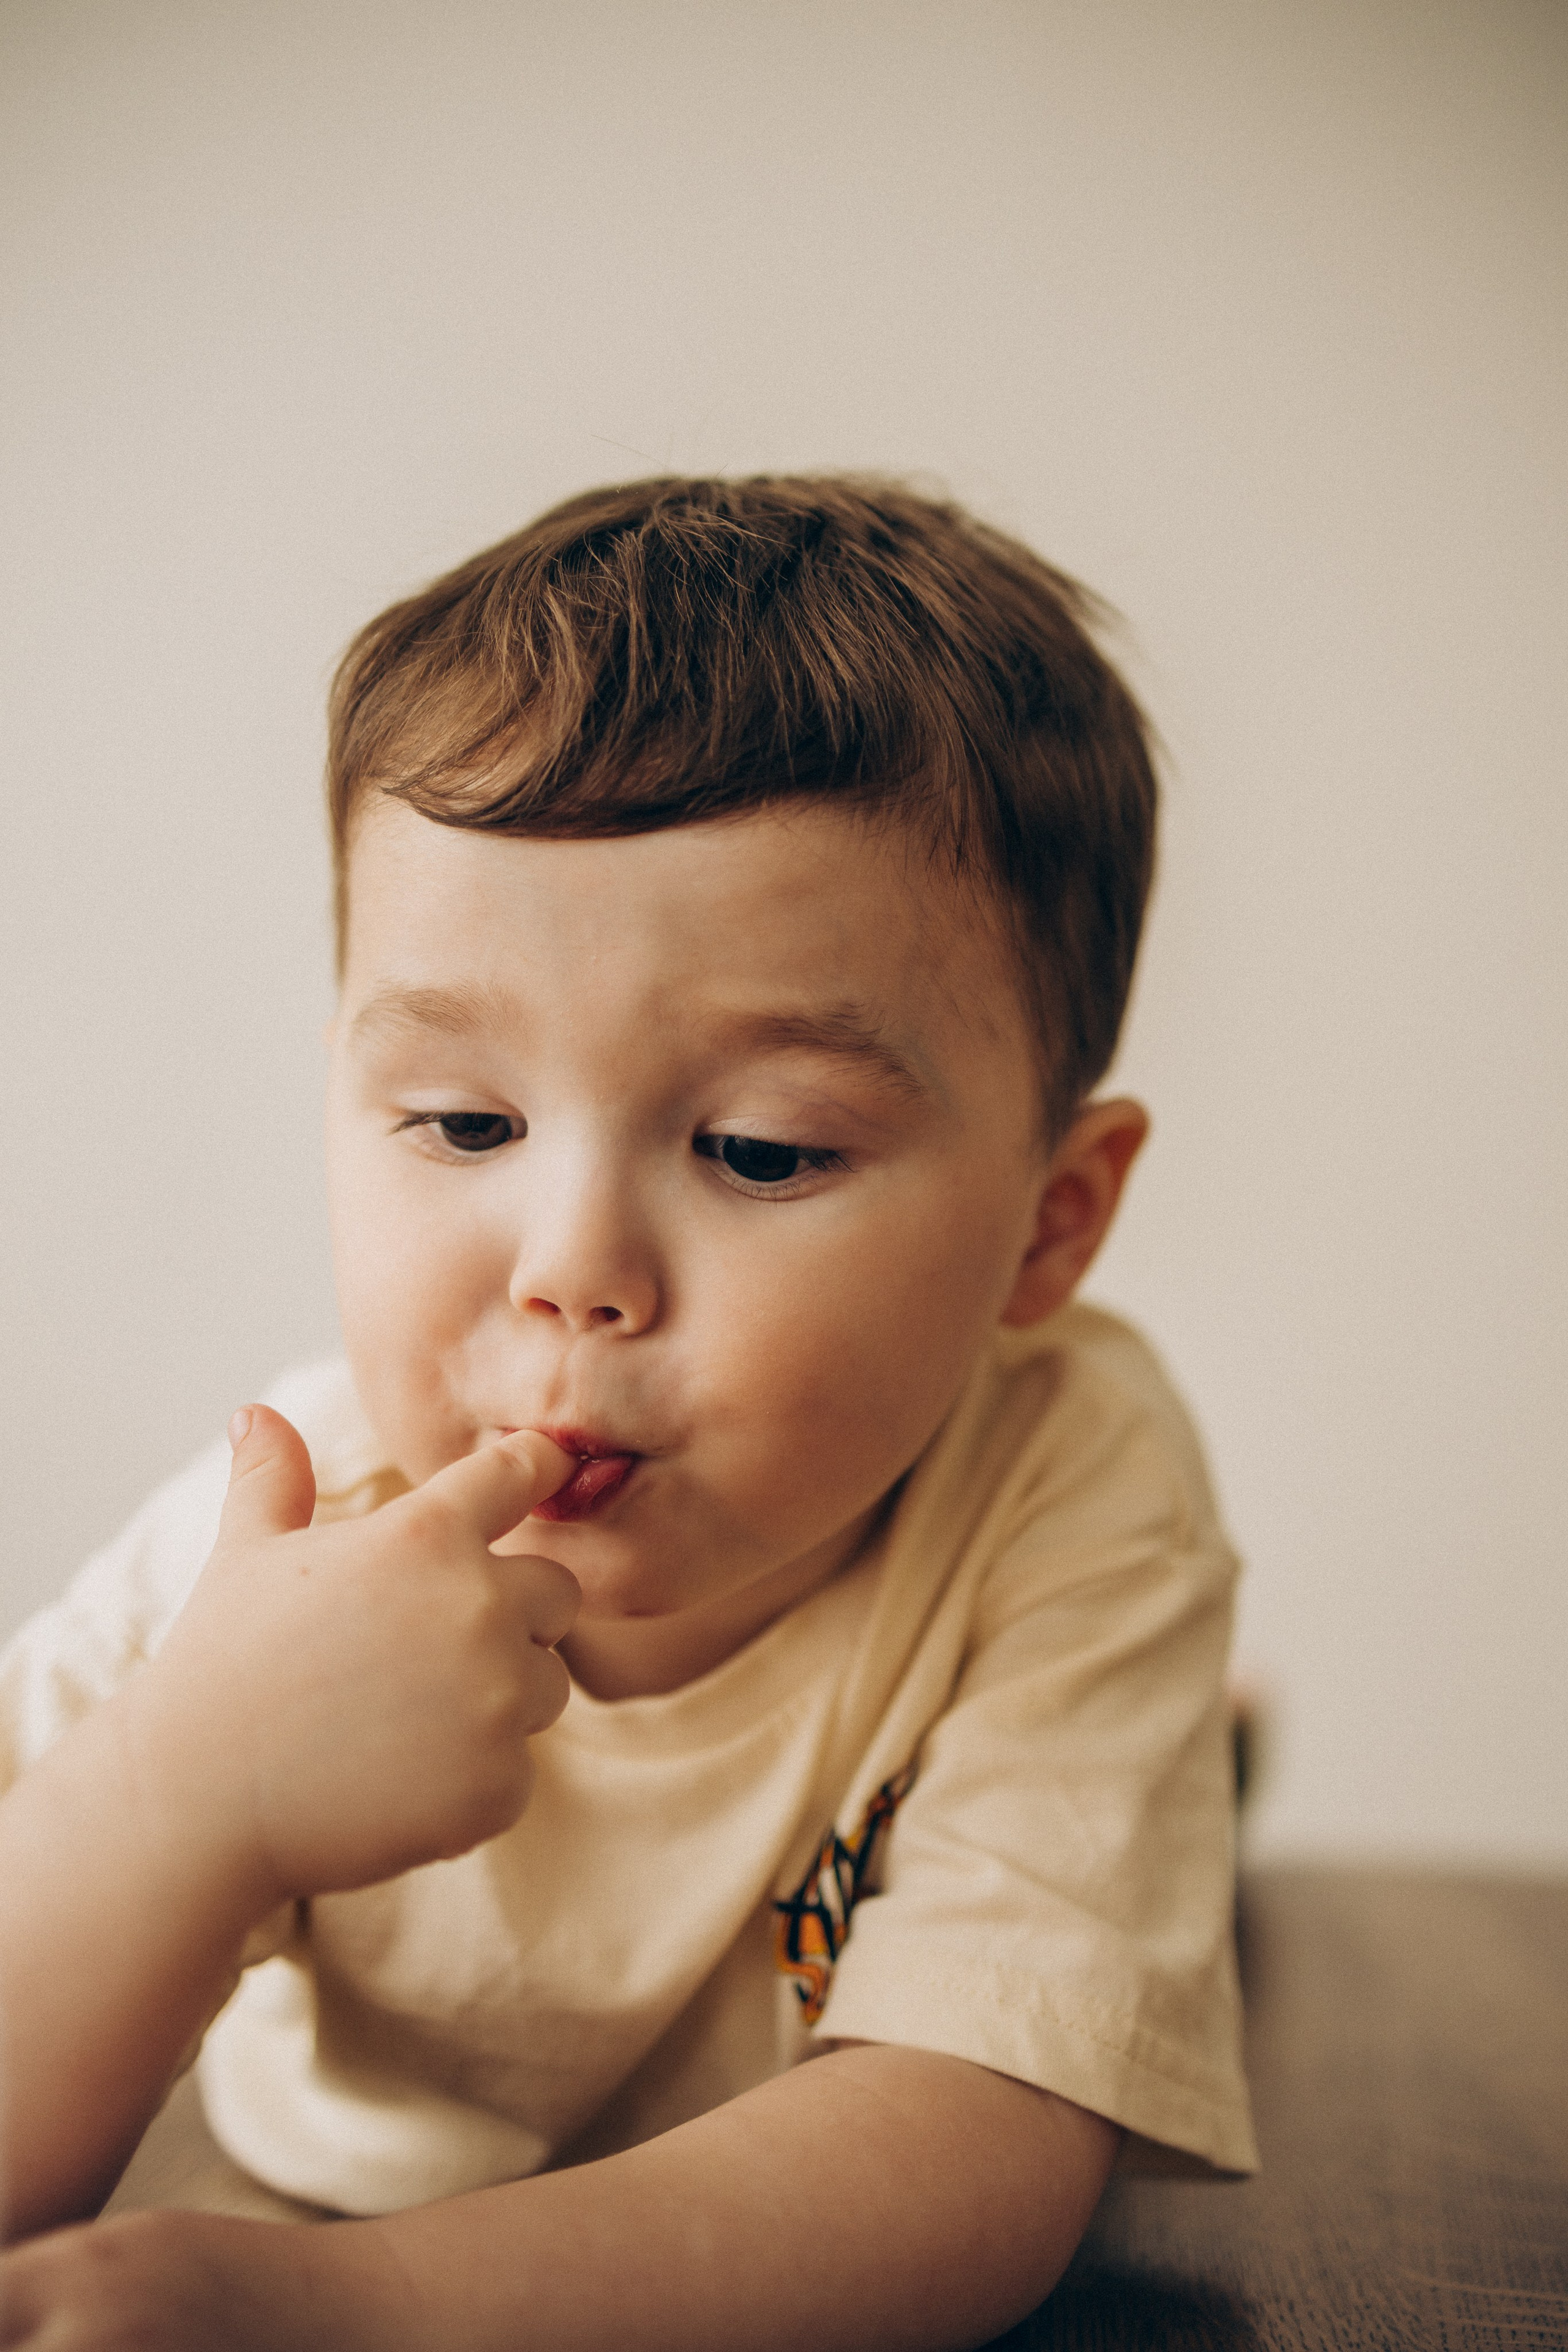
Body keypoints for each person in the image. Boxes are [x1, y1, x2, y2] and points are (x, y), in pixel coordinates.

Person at [0, 476, 1256, 2349]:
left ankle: (1197, 1761)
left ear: (1047, 1223)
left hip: (441, 2258)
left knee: (1152, 1826)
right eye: (467, 1125)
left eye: (759, 1148)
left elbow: (982, 2140)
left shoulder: (1061, 1487)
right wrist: (196, 1797)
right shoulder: (294, 1523)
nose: (571, 1271)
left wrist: (365, 2318)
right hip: (337, 2155)